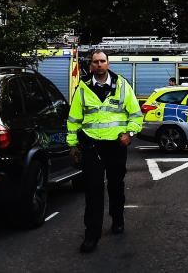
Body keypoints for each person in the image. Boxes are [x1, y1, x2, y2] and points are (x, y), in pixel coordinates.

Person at [67, 49, 143, 254]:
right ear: (91, 65)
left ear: (108, 64)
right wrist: (73, 144)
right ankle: (91, 235)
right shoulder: (82, 87)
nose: (99, 65)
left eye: (102, 61)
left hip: (116, 145)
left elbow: (136, 115)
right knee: (93, 190)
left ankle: (117, 219)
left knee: (116, 185)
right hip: (92, 146)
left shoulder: (122, 85)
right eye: (95, 62)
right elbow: (74, 119)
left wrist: (130, 133)